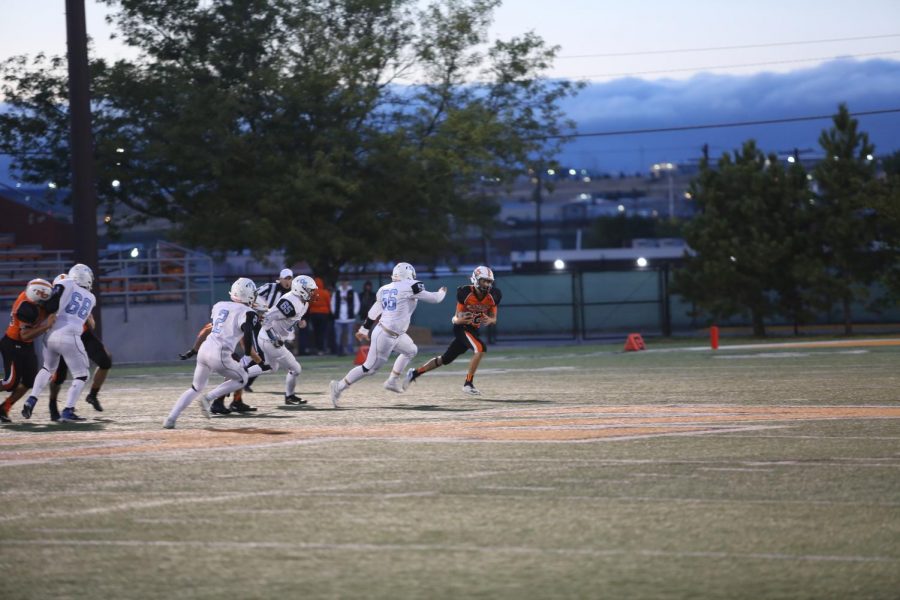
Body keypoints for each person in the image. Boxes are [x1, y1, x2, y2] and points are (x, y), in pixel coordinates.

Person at [329, 262, 446, 407]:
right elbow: (435, 299)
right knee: (369, 369)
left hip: (395, 333)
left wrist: (364, 329)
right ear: (409, 274)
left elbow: (373, 312)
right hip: (384, 335)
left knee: (411, 350)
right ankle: (338, 387)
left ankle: (392, 380)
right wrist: (442, 291)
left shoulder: (384, 288)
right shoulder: (410, 286)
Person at [163, 277, 261, 429]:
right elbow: (247, 334)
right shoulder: (248, 313)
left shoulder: (219, 306)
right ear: (248, 294)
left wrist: (194, 350)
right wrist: (248, 353)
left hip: (205, 349)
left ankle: (171, 419)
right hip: (220, 354)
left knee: (196, 388)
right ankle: (209, 398)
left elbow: (208, 329)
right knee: (243, 378)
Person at [208, 275, 318, 408]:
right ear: (301, 290)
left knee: (271, 368)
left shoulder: (302, 302)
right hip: (269, 339)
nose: (313, 293)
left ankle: (238, 376)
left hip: (273, 338)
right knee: (295, 369)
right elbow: (266, 318)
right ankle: (289, 396)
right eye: (310, 290)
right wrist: (273, 337)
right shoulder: (291, 303)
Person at [405, 266, 501, 396]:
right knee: (480, 348)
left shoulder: (494, 295)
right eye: (484, 280)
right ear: (476, 279)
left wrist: (491, 320)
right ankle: (468, 384)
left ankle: (415, 373)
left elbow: (494, 318)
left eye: (489, 281)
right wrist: (457, 320)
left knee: (445, 359)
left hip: (473, 330)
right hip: (462, 328)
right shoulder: (465, 293)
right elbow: (456, 318)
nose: (487, 284)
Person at [21, 264, 97, 422]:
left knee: (47, 368)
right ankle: (68, 410)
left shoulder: (65, 282)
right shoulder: (91, 297)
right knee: (82, 375)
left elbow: (52, 302)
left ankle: (32, 399)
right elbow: (91, 325)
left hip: (51, 333)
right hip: (71, 336)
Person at [1, 279, 55, 423]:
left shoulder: (34, 299)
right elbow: (24, 336)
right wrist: (46, 326)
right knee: (10, 383)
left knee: (29, 381)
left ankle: (4, 407)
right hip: (13, 344)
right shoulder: (25, 307)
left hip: (26, 346)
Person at [241, 268, 293, 392]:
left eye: (290, 278)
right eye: (285, 278)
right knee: (262, 356)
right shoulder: (270, 287)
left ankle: (244, 379)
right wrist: (258, 309)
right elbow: (253, 295)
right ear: (280, 279)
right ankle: (243, 378)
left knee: (267, 359)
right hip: (259, 325)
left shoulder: (292, 295)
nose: (287, 281)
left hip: (274, 330)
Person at [330, 278, 360, 356]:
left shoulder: (353, 293)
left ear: (348, 283)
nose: (344, 284)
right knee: (338, 336)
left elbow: (357, 304)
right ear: (341, 283)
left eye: (346, 282)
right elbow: (332, 303)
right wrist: (335, 313)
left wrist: (354, 313)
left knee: (350, 336)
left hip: (350, 319)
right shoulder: (336, 293)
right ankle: (339, 351)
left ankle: (350, 351)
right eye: (343, 282)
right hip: (338, 319)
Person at [306, 277, 332, 355]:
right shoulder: (325, 292)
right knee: (322, 332)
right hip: (324, 314)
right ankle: (322, 348)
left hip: (314, 314)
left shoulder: (312, 292)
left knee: (316, 332)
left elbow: (309, 303)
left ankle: (317, 348)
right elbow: (329, 303)